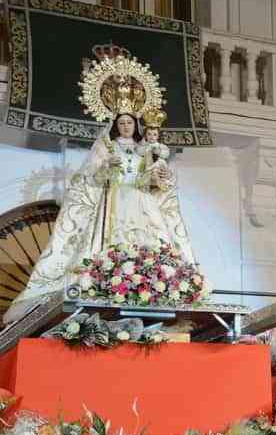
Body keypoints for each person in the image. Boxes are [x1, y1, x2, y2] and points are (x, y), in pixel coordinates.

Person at [4, 51, 198, 323]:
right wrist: (108, 169)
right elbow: (90, 178)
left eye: (130, 122)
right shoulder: (107, 146)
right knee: (111, 242)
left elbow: (158, 178)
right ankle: (111, 274)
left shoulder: (145, 148)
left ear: (137, 124)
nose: (127, 126)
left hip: (142, 199)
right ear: (116, 125)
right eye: (122, 123)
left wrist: (157, 178)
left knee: (155, 238)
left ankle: (153, 278)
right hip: (115, 201)